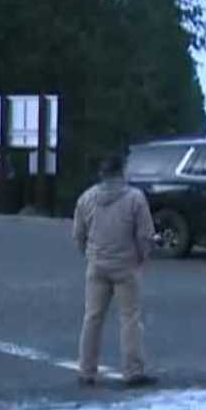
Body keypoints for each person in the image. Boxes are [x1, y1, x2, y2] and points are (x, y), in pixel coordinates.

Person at [73, 154, 156, 388]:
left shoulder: (86, 198)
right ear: (122, 172)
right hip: (126, 265)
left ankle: (86, 370)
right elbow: (145, 235)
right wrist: (141, 257)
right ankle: (133, 370)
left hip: (97, 265)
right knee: (129, 318)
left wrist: (90, 255)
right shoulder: (135, 198)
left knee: (92, 318)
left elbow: (78, 235)